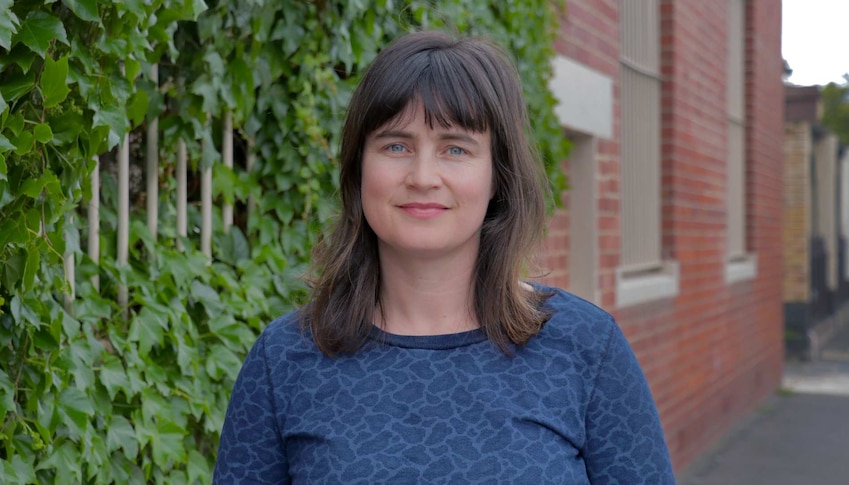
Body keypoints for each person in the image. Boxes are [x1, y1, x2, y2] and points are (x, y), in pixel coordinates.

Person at [214, 31, 675, 484]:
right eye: (396, 145)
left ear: (499, 175)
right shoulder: (285, 360)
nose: (423, 176)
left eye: (455, 148)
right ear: (358, 169)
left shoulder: (585, 349)